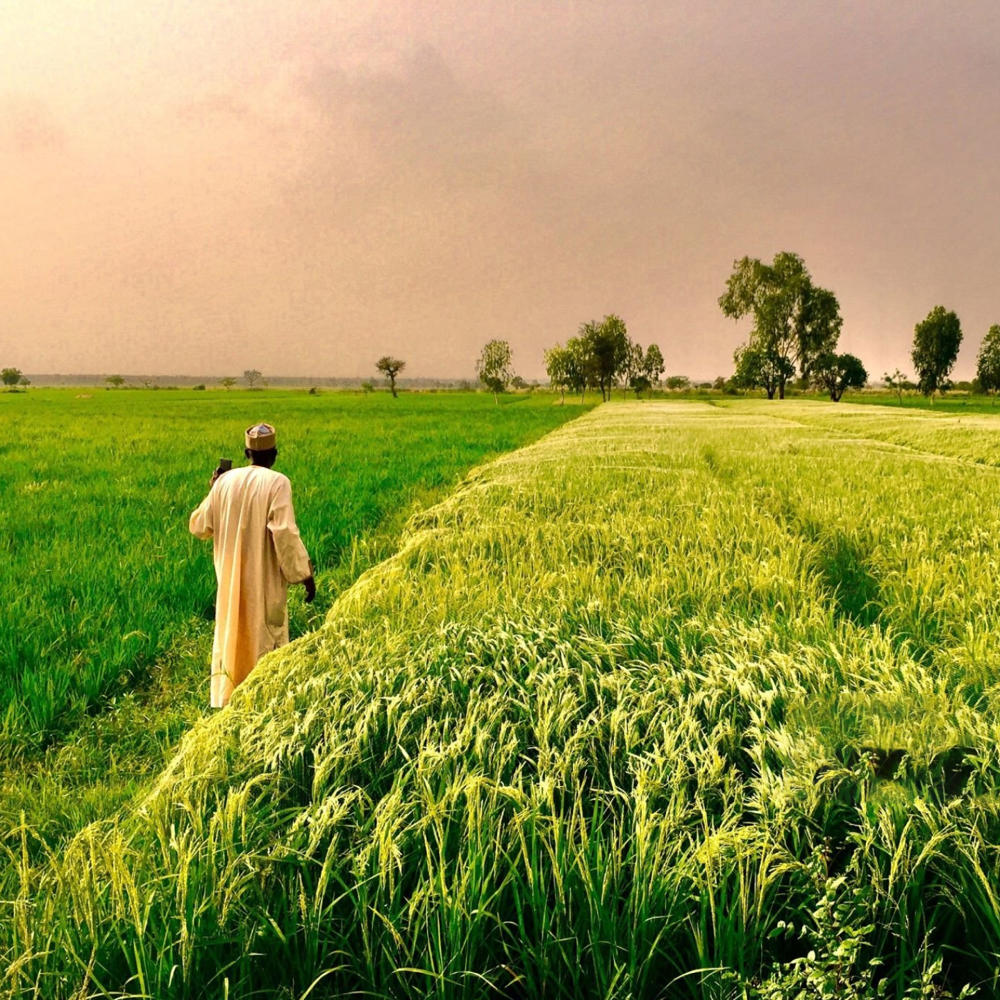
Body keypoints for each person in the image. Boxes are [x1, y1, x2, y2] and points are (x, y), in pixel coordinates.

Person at [189, 422, 316, 707]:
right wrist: (304, 574)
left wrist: (213, 490)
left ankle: (231, 702)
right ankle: (263, 704)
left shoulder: (224, 482)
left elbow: (199, 526)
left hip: (231, 582)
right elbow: (284, 532)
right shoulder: (278, 482)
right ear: (275, 454)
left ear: (247, 452)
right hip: (263, 581)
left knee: (232, 637)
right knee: (265, 639)